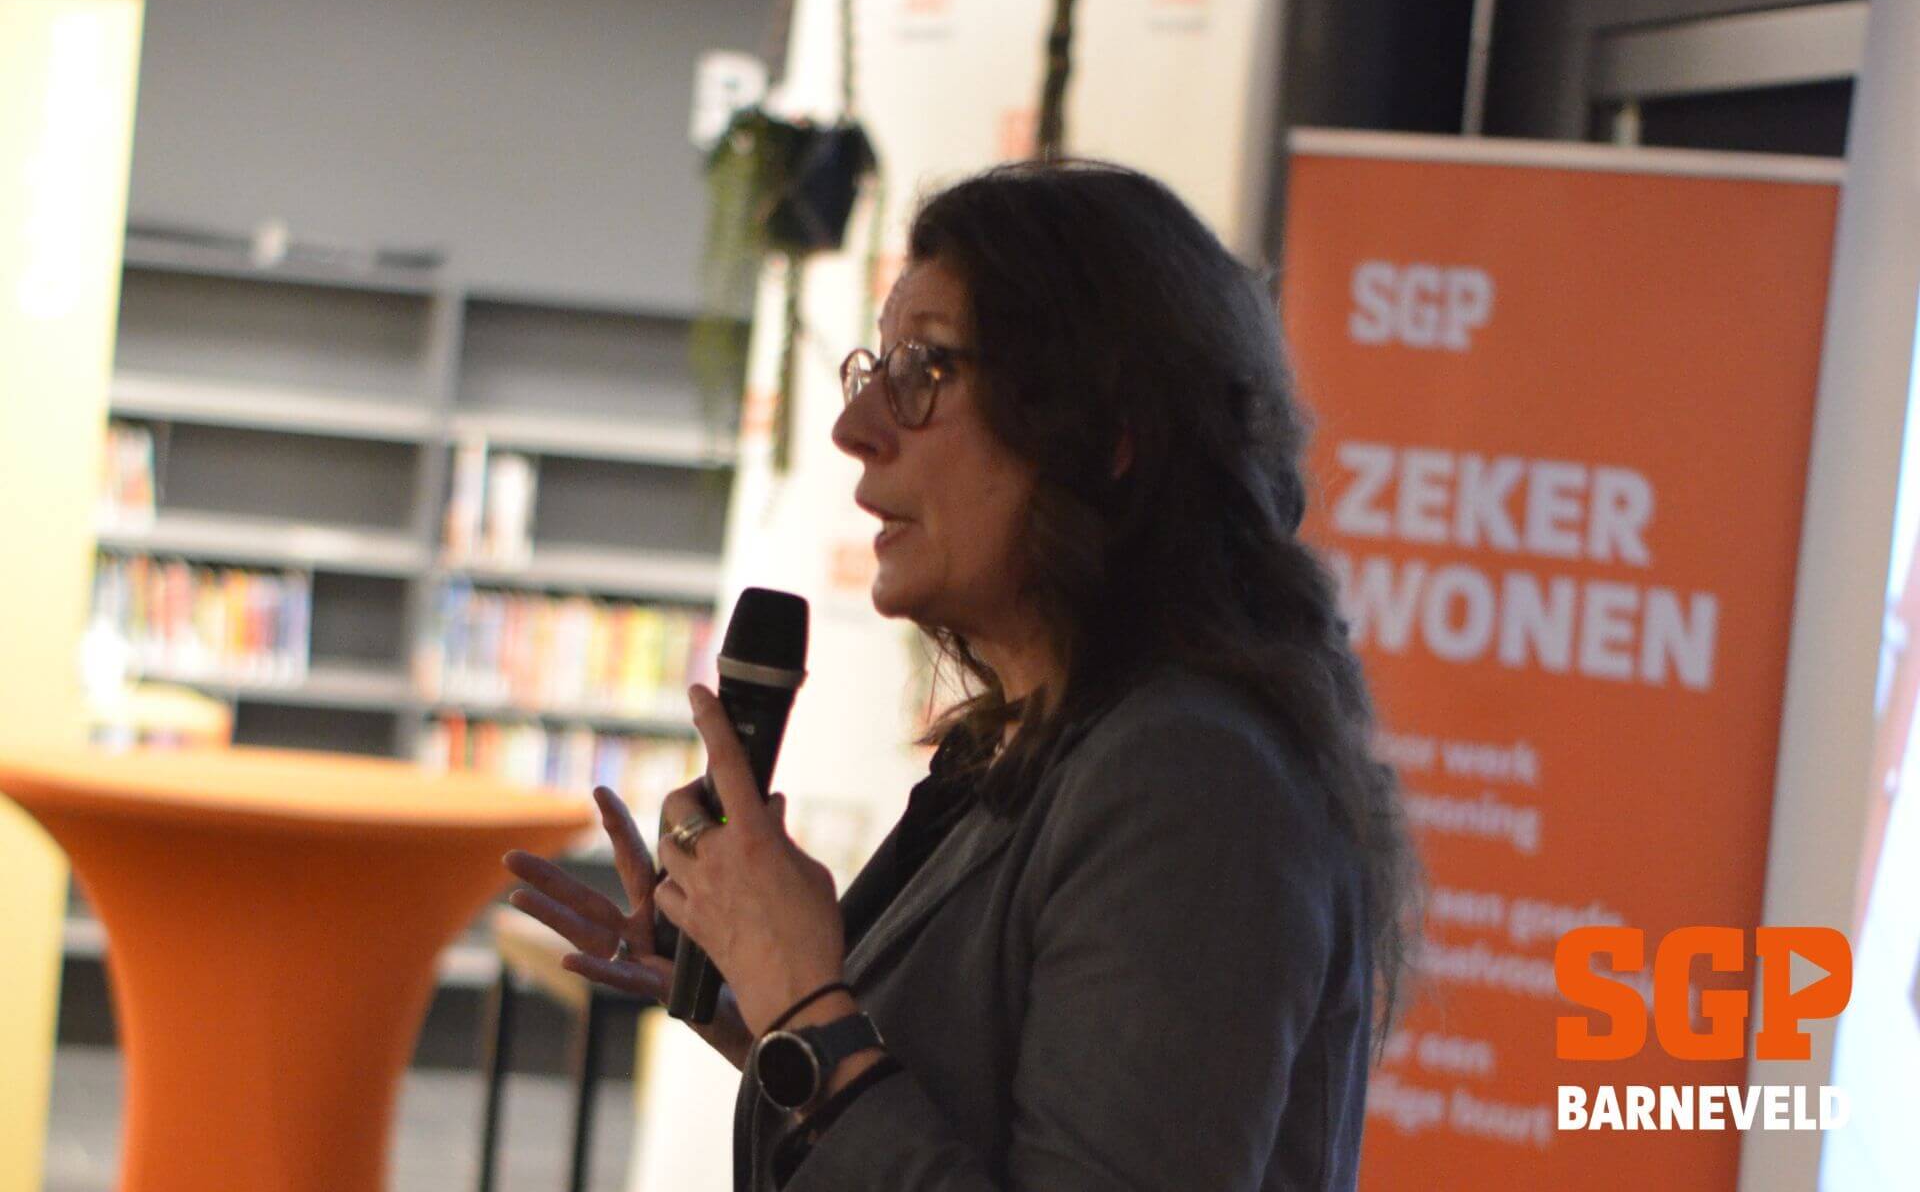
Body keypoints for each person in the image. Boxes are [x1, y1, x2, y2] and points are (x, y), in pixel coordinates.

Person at [505, 159, 1420, 1191]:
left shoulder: (1194, 780)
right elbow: (972, 1106)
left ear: (1103, 433)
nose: (857, 429)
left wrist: (806, 1001)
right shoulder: (1025, 748)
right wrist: (753, 996)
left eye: (925, 368)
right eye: (873, 368)